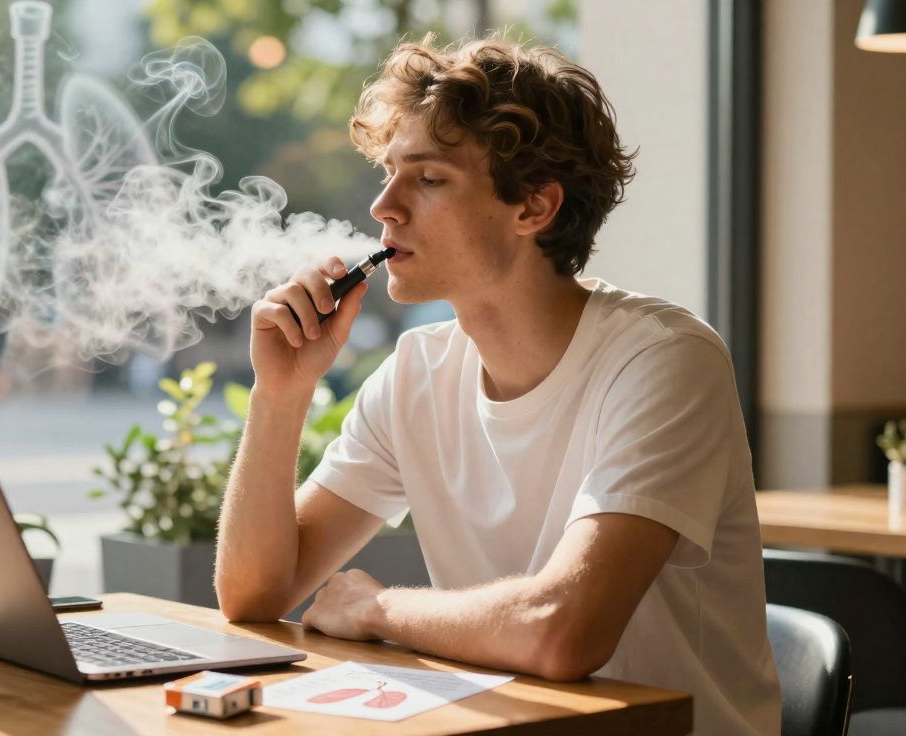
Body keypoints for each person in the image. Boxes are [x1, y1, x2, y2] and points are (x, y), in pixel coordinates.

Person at [215, 36, 781, 735]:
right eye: (389, 173)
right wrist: (281, 393)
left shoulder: (664, 361)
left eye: (427, 179)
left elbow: (561, 632)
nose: (384, 208)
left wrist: (374, 609)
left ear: (533, 208)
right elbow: (253, 594)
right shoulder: (415, 374)